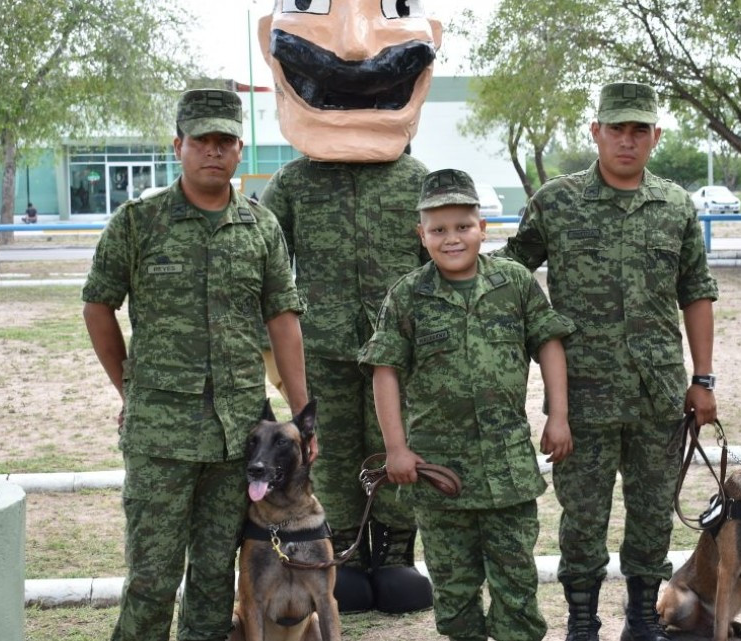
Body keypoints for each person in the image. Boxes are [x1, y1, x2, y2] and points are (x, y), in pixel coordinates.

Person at [81, 89, 308, 641]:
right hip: (160, 436)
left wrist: (302, 415)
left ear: (239, 150)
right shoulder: (139, 222)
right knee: (152, 578)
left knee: (212, 579)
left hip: (237, 441)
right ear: (178, 145)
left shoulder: (261, 228)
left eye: (224, 141)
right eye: (201, 140)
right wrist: (129, 389)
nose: (213, 151)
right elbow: (98, 306)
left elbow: (282, 319)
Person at [497, 82, 720, 641]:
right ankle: (581, 621)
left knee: (650, 514)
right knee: (582, 518)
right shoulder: (556, 202)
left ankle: (643, 618)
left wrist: (703, 379)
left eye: (638, 129)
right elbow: (509, 276)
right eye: (616, 128)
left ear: (655, 136)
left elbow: (696, 292)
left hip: (659, 395)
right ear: (595, 132)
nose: (627, 140)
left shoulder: (675, 206)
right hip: (582, 396)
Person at [256, 2, 445, 613]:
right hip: (321, 346)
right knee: (329, 451)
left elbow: (443, 261)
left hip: (397, 351)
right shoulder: (293, 183)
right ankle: (337, 555)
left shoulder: (419, 180)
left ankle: (393, 556)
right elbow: (264, 260)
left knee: (396, 447)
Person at [360, 169, 576, 641]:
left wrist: (557, 416)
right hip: (441, 477)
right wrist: (396, 448)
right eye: (438, 230)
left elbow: (550, 343)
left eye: (462, 226)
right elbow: (385, 372)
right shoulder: (407, 297)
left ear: (482, 227)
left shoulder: (515, 283)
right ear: (421, 235)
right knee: (455, 598)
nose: (451, 238)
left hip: (508, 475)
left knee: (516, 591)